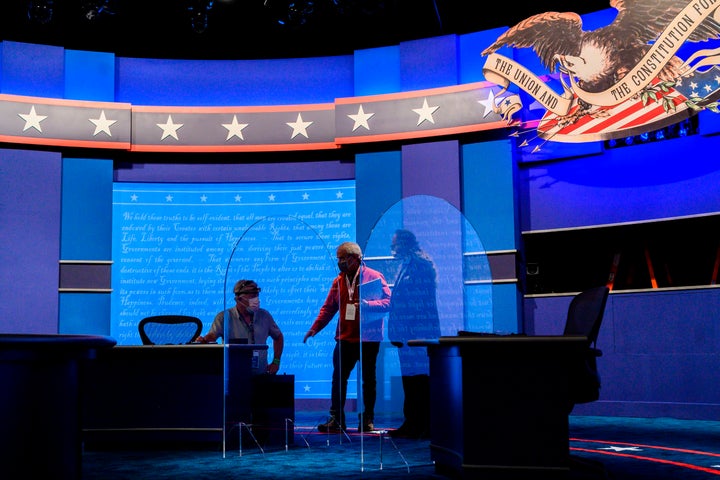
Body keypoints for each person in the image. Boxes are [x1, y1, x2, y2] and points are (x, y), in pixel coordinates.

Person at [303, 241, 391, 433]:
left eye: (343, 258)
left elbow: (388, 302)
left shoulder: (374, 277)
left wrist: (368, 304)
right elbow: (328, 308)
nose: (340, 262)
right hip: (344, 338)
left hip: (368, 339)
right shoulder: (338, 281)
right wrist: (314, 328)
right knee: (338, 379)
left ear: (356, 258)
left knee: (368, 379)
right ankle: (336, 420)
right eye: (338, 258)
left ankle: (367, 419)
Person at [387, 229, 441, 438]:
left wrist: (408, 331)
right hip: (406, 334)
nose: (393, 249)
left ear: (406, 244)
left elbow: (420, 302)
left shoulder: (420, 264)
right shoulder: (407, 264)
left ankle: (423, 424)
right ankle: (413, 422)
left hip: (417, 334)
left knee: (420, 379)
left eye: (396, 244)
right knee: (410, 380)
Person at [195, 279, 284, 375]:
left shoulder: (264, 316)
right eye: (252, 296)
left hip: (261, 377)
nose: (256, 300)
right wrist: (203, 340)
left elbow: (278, 337)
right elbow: (212, 336)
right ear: (239, 299)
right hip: (234, 377)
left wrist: (276, 361)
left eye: (257, 295)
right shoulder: (224, 317)